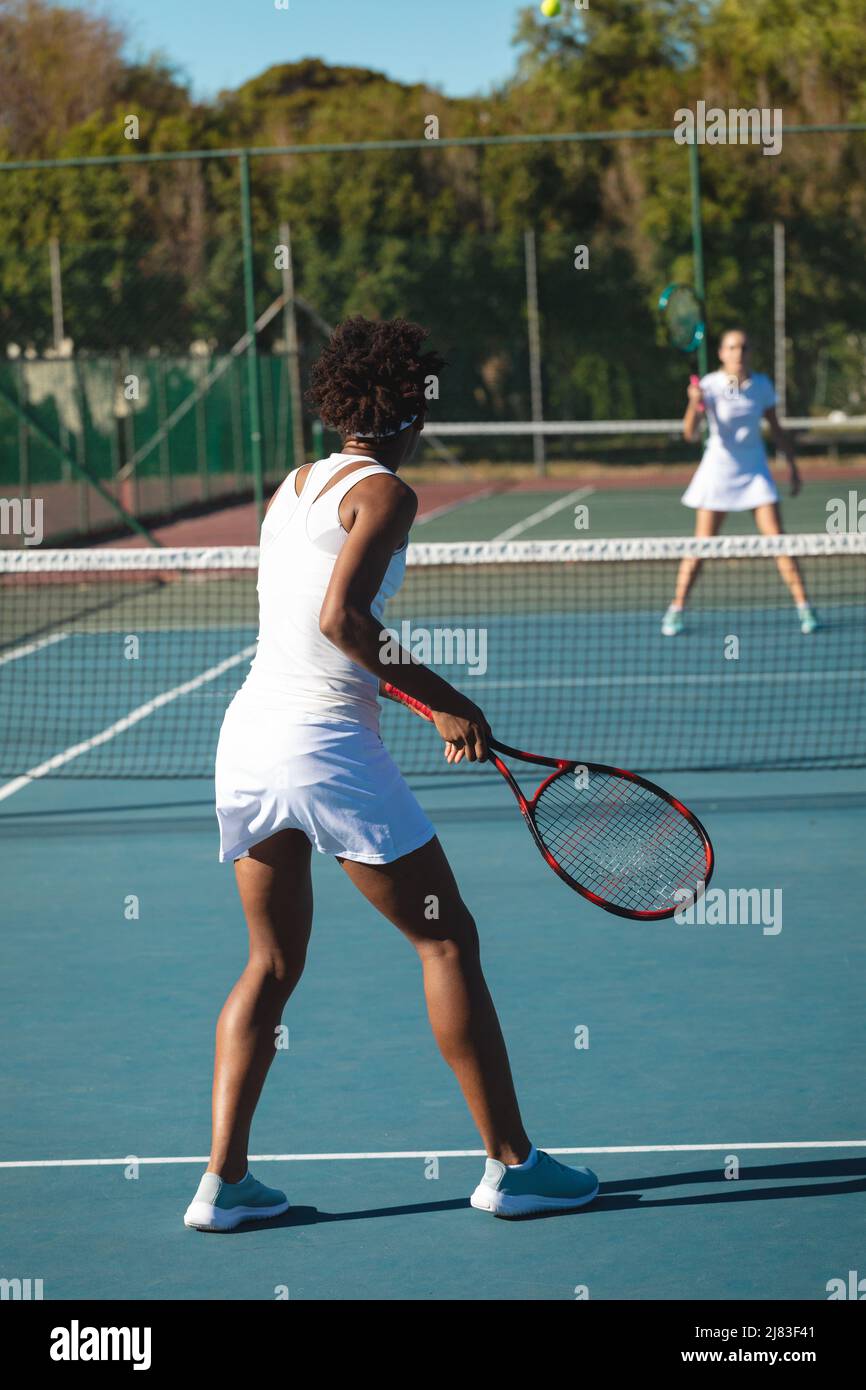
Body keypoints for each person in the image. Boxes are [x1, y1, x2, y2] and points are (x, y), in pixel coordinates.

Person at [183, 316, 599, 1231]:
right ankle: (513, 1166)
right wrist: (450, 700)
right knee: (447, 943)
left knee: (270, 962)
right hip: (324, 749)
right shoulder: (389, 493)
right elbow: (342, 620)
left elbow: (314, 630)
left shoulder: (294, 486)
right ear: (408, 406)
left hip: (248, 743)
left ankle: (223, 1184)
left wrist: (410, 699)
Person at [661, 328, 817, 636]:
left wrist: (793, 467)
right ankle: (676, 610)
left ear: (749, 353)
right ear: (721, 353)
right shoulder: (709, 385)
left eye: (743, 347)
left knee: (779, 541)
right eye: (732, 347)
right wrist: (694, 403)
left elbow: (776, 428)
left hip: (755, 472)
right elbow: (690, 434)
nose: (738, 353)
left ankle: (805, 609)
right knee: (701, 546)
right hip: (717, 472)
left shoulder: (761, 386)